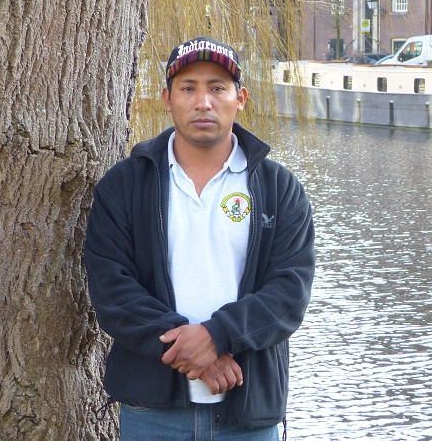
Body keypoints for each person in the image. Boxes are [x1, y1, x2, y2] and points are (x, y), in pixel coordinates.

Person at [84, 36, 316, 441]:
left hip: (247, 412)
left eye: (217, 88)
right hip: (151, 412)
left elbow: (289, 292)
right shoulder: (124, 185)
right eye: (188, 88)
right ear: (167, 99)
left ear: (240, 99)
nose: (203, 102)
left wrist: (218, 335)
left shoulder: (279, 189)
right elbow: (112, 289)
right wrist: (196, 352)